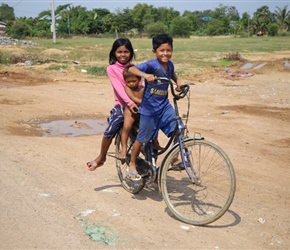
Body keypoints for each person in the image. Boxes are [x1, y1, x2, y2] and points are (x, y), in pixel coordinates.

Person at [126, 34, 182, 181]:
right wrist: (145, 75)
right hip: (149, 109)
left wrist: (178, 82)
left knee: (179, 128)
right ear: (154, 51)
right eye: (161, 50)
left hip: (164, 106)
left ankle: (176, 158)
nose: (165, 53)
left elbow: (172, 74)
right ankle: (132, 163)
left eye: (168, 50)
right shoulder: (151, 65)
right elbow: (131, 69)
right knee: (143, 138)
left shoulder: (170, 65)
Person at [86, 38, 139, 171]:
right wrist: (129, 102)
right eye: (119, 52)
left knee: (150, 125)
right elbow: (119, 89)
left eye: (126, 52)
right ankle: (101, 157)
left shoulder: (135, 68)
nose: (123, 55)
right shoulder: (112, 69)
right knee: (114, 124)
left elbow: (141, 86)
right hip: (121, 104)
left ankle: (153, 164)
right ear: (114, 53)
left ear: (131, 53)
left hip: (136, 103)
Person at [119, 65, 163, 161]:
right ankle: (124, 148)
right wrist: (142, 101)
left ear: (139, 79)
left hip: (143, 111)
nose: (131, 84)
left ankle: (155, 142)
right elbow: (133, 99)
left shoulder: (142, 88)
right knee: (126, 127)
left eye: (133, 81)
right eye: (128, 82)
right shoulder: (127, 89)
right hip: (131, 111)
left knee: (154, 125)